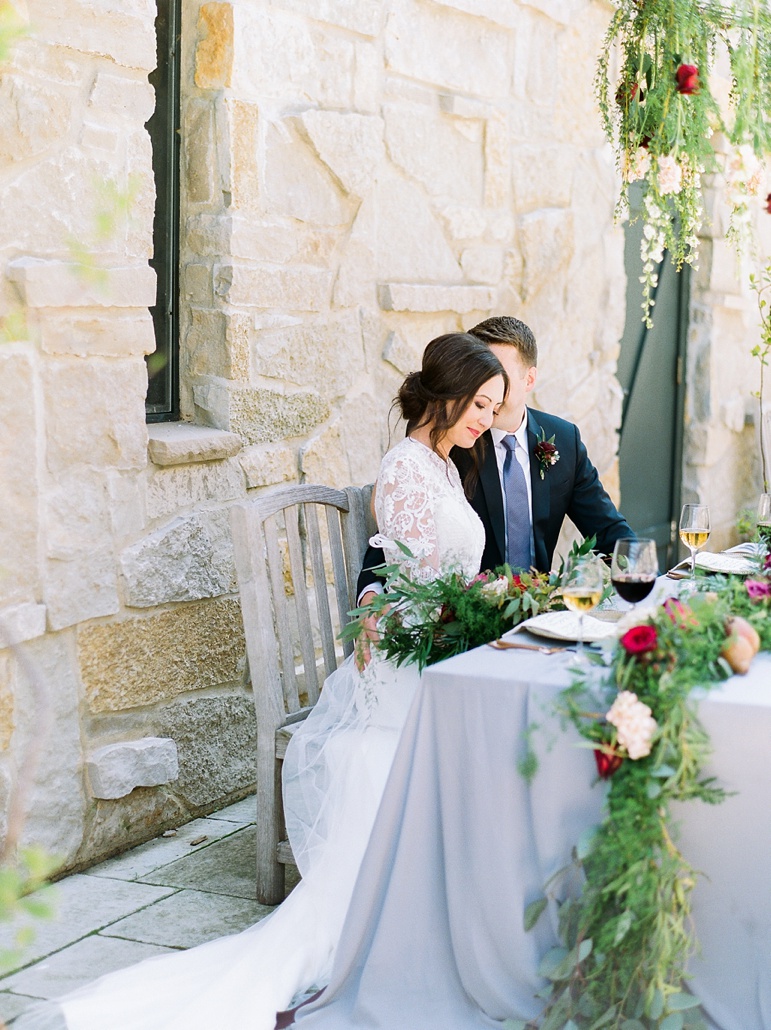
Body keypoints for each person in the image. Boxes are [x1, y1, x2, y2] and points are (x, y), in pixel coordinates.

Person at [16, 333, 508, 1030]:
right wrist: (467, 609)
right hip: (407, 660)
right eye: (479, 404)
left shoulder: (445, 466)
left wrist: (480, 601)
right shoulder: (405, 467)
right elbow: (409, 589)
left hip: (431, 647)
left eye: (492, 407)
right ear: (446, 392)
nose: (485, 419)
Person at [357, 315, 634, 610]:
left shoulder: (563, 440)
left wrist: (650, 583)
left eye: (497, 372)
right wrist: (371, 596)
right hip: (467, 623)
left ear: (529, 379)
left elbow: (609, 530)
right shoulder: (454, 442)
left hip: (540, 612)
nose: (488, 382)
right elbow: (400, 539)